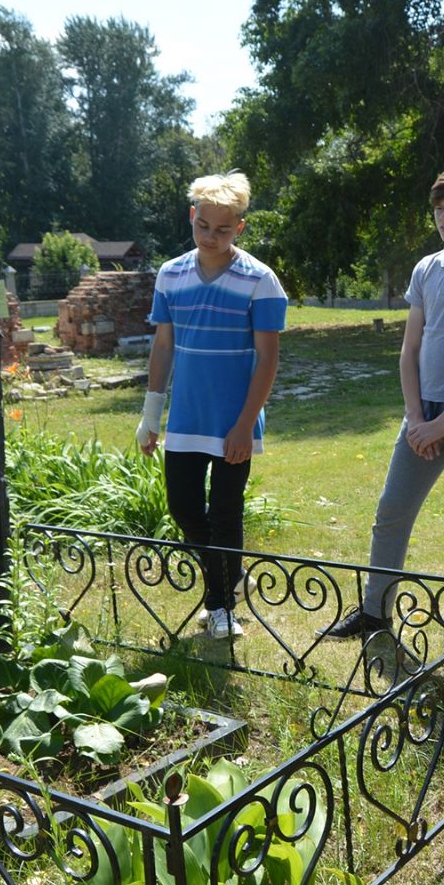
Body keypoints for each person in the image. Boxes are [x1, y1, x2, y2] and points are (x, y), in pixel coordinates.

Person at [318, 166, 444, 642]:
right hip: (422, 413)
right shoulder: (425, 269)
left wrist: (442, 423)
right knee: (391, 511)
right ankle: (375, 612)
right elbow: (409, 350)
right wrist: (415, 418)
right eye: (439, 209)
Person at [137, 172, 288, 639]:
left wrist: (245, 424)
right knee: (183, 508)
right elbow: (163, 347)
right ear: (192, 216)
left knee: (225, 514)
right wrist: (150, 416)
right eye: (203, 226)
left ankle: (221, 607)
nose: (210, 237)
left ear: (240, 227)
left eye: (223, 230)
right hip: (186, 418)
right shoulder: (170, 274)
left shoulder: (260, 280)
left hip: (235, 422)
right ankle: (229, 575)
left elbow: (268, 359)